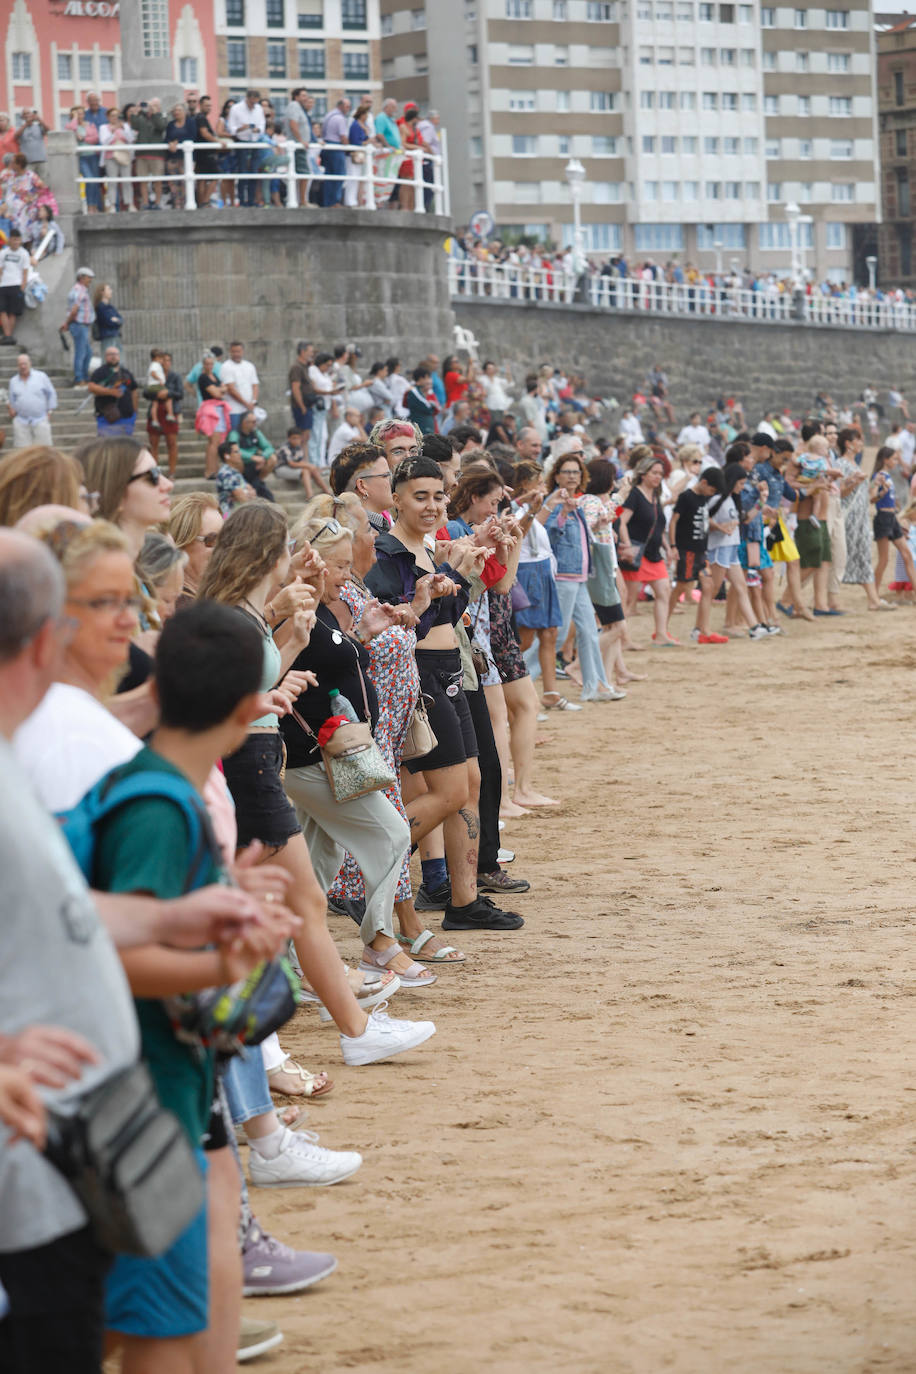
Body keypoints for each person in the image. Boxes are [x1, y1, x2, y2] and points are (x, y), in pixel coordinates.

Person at [199, 501, 439, 1061]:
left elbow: (260, 674)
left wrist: (289, 642)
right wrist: (286, 642)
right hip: (276, 761)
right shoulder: (242, 612)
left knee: (303, 889)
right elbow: (235, 687)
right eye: (287, 552)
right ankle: (359, 990)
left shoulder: (260, 610)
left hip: (269, 758)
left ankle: (317, 1022)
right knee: (313, 885)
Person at [366, 455, 524, 931]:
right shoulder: (386, 555)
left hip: (449, 670)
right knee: (451, 791)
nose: (433, 505)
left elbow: (446, 619)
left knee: (470, 787)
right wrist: (454, 577)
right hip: (420, 679)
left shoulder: (431, 550)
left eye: (438, 495)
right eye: (420, 496)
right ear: (396, 499)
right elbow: (405, 627)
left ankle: (464, 901)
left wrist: (464, 575)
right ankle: (366, 868)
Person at [539, 447, 618, 698]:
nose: (572, 476)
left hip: (579, 574)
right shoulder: (555, 501)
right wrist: (562, 514)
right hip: (564, 574)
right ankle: (520, 679)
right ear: (557, 475)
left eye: (576, 472)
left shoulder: (577, 501)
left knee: (588, 632)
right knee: (556, 633)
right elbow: (547, 535)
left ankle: (594, 686)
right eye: (567, 472)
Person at [617, 453, 676, 646]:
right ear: (643, 474)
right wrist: (627, 545)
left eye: (660, 473)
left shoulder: (655, 496)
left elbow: (658, 526)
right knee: (629, 599)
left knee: (663, 590)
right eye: (654, 473)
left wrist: (668, 547)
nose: (657, 477)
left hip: (652, 552)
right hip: (636, 552)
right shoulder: (635, 494)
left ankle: (661, 634)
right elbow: (622, 521)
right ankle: (622, 638)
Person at [836, 427, 890, 611]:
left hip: (860, 519)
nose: (861, 443)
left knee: (862, 557)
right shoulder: (841, 464)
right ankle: (873, 600)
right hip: (849, 519)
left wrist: (877, 487)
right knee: (848, 558)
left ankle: (873, 599)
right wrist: (854, 481)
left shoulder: (853, 465)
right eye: (858, 440)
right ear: (848, 444)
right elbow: (840, 493)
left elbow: (864, 497)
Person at [871, 446, 916, 598]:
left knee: (906, 554)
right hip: (883, 518)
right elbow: (872, 498)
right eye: (894, 459)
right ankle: (874, 595)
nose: (897, 462)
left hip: (891, 518)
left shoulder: (888, 476)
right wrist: (881, 491)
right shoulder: (879, 476)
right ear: (886, 460)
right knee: (884, 559)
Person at [167, 491, 222, 607]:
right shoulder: (178, 609)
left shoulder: (206, 601)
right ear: (181, 543)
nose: (223, 547)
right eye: (212, 540)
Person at [329, 441, 394, 533]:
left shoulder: (379, 525)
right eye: (386, 475)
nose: (392, 480)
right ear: (362, 486)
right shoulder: (365, 538)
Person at [88, 344, 139, 437]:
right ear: (106, 356)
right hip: (107, 417)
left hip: (127, 416)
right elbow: (91, 387)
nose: (113, 356)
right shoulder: (100, 372)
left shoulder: (126, 372)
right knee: (108, 446)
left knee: (126, 446)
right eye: (110, 354)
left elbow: (134, 390)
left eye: (116, 354)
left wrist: (135, 412)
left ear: (119, 356)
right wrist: (110, 392)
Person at [7, 352, 56, 447]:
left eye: (25, 363)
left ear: (30, 363)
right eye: (20, 364)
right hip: (21, 421)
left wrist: (49, 412)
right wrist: (12, 409)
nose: (23, 366)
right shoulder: (13, 381)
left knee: (43, 451)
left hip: (40, 419)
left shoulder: (41, 377)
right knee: (23, 453)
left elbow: (51, 394)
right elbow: (12, 399)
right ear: (17, 366)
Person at [60, 266, 96, 387]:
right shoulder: (79, 290)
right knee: (81, 352)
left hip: (82, 325)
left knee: (88, 352)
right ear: (81, 278)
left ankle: (84, 376)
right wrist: (67, 323)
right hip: (79, 324)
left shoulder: (81, 290)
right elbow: (74, 310)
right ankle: (79, 378)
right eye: (88, 277)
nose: (90, 280)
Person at [129, 97, 167, 209]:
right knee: (143, 180)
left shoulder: (162, 116)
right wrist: (135, 112)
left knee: (158, 181)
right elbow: (134, 126)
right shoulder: (142, 117)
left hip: (157, 155)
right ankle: (145, 203)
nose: (150, 108)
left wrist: (155, 113)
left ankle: (157, 203)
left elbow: (161, 126)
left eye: (154, 106)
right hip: (142, 154)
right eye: (150, 106)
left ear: (159, 107)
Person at [229, 412, 277, 501]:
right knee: (236, 458)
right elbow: (233, 449)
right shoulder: (235, 433)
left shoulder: (256, 432)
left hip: (256, 464)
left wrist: (263, 457)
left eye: (256, 421)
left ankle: (258, 481)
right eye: (253, 422)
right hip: (242, 464)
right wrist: (251, 457)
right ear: (244, 422)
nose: (255, 424)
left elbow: (269, 448)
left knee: (272, 458)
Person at [275, 427, 332, 497]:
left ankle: (326, 490)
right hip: (281, 469)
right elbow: (291, 464)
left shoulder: (298, 447)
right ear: (288, 438)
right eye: (294, 438)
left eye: (298, 438)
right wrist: (308, 466)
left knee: (311, 470)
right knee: (305, 470)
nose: (296, 440)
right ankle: (310, 496)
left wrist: (311, 467)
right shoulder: (285, 448)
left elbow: (300, 461)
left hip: (291, 468)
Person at [220, 340, 260, 432]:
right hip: (234, 410)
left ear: (243, 351)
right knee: (235, 435)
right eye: (234, 351)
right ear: (230, 352)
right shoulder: (226, 366)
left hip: (249, 409)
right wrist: (246, 403)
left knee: (250, 434)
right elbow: (231, 389)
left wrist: (254, 401)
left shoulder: (249, 366)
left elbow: (255, 385)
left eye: (238, 351)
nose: (236, 354)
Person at [0, 227, 29, 346]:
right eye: (14, 240)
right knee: (2, 310)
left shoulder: (24, 253)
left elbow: (25, 272)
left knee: (12, 312)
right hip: (3, 285)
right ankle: (7, 335)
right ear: (10, 240)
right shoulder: (3, 253)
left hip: (16, 284)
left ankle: (8, 336)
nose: (16, 242)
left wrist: (22, 288)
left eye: (18, 240)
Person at [320, 98, 351, 208]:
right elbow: (343, 137)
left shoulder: (328, 116)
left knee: (329, 176)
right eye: (347, 106)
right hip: (336, 147)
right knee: (339, 175)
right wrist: (349, 148)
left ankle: (327, 201)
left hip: (327, 147)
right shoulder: (340, 118)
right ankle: (335, 201)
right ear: (341, 106)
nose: (348, 109)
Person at [215, 438, 255, 517]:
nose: (240, 454)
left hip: (239, 512)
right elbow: (242, 497)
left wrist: (247, 493)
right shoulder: (226, 474)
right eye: (236, 452)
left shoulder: (234, 471)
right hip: (230, 515)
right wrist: (247, 494)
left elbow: (252, 491)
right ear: (227, 456)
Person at [92, 282, 123, 346]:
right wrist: (116, 320)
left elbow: (121, 319)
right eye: (108, 289)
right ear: (102, 292)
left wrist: (116, 320)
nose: (111, 291)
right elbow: (108, 321)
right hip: (107, 336)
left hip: (115, 335)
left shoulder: (111, 307)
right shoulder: (100, 307)